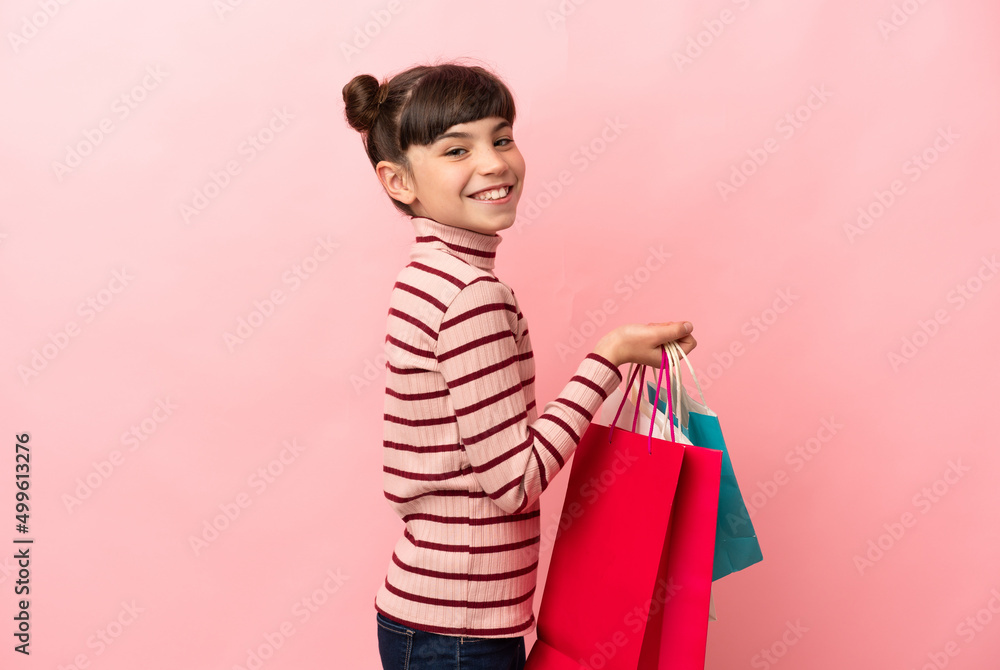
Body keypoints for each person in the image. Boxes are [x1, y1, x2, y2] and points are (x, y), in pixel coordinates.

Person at [342, 59, 696, 670]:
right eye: (457, 150)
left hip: (438, 619)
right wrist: (607, 358)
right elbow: (514, 481)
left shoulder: (428, 276)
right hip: (459, 632)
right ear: (399, 182)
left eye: (501, 137)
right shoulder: (469, 296)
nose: (494, 162)